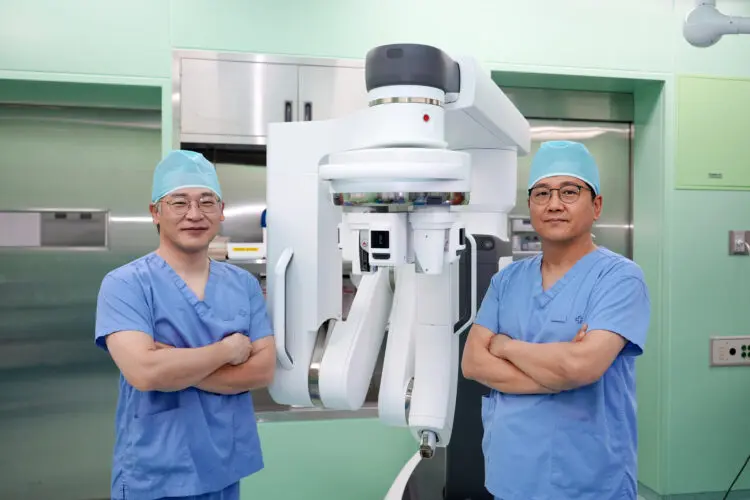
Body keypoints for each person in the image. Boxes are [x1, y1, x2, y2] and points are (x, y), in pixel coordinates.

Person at [461, 140, 650, 500]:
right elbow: (473, 363)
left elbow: (580, 366)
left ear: (596, 205)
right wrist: (559, 375)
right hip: (511, 475)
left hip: (589, 479)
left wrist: (506, 346)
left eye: (569, 191)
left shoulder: (620, 278)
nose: (554, 204)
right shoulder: (507, 281)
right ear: (531, 205)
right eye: (542, 193)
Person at [94, 150, 276, 500]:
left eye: (207, 202)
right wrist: (227, 350)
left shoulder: (243, 284)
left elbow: (263, 370)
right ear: (155, 212)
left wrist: (175, 366)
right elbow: (145, 372)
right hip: (156, 470)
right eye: (179, 202)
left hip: (224, 466)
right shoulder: (126, 284)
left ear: (221, 211)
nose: (194, 214)